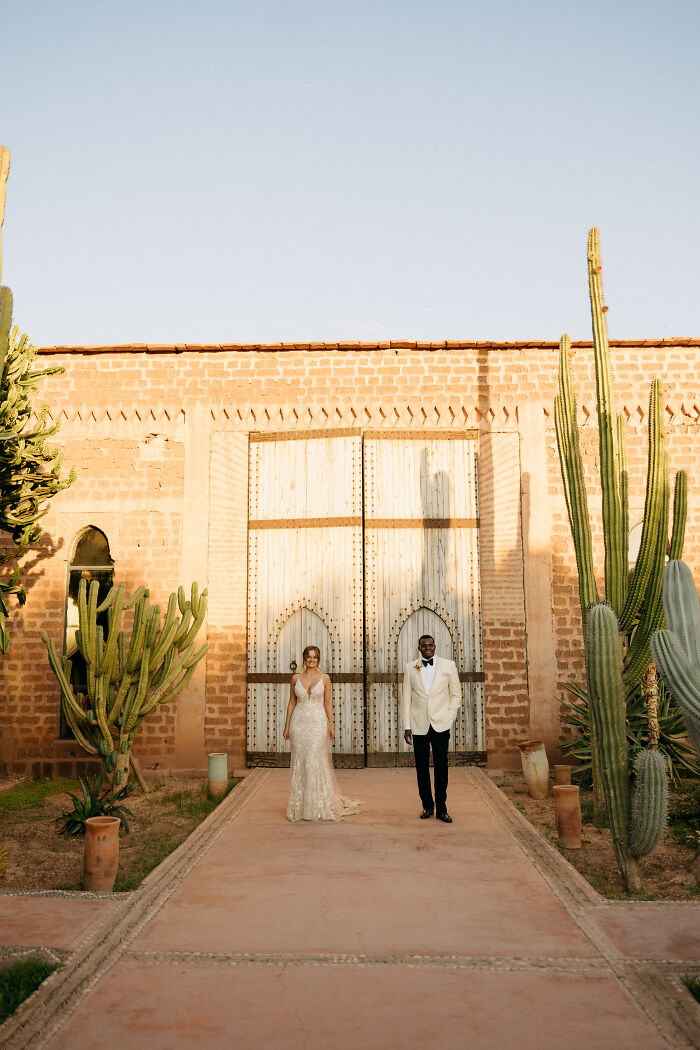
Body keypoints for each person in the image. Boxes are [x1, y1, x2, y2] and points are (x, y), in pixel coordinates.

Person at [283, 644, 363, 822]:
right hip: (299, 723)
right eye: (309, 657)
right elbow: (291, 703)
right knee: (301, 761)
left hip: (318, 723)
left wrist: (331, 725)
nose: (312, 660)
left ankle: (317, 804)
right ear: (304, 658)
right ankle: (301, 806)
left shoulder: (325, 678)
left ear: (318, 659)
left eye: (315, 657)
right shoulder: (295, 678)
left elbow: (327, 703)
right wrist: (287, 726)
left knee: (314, 758)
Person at [402, 634, 461, 823]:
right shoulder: (411, 667)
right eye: (423, 645)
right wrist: (407, 726)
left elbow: (455, 695)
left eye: (430, 645)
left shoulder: (448, 666)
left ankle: (442, 809)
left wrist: (450, 716)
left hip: (440, 724)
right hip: (418, 725)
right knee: (421, 768)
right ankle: (427, 806)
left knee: (441, 767)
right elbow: (406, 699)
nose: (427, 648)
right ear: (419, 648)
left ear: (435, 646)